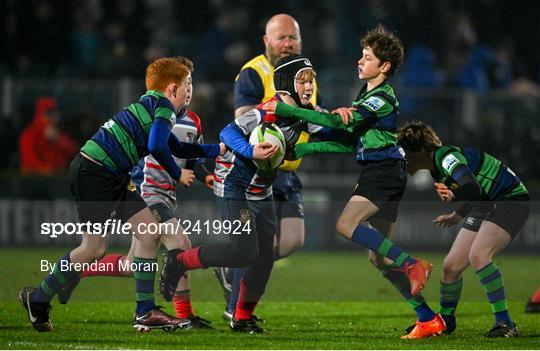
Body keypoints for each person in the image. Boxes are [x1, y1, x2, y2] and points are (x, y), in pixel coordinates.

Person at [19, 57, 225, 333]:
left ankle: (144, 311)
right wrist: (177, 174)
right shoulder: (163, 107)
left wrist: (218, 149)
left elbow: (176, 147)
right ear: (173, 89)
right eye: (188, 83)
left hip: (111, 173)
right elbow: (157, 146)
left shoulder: (152, 104)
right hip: (95, 172)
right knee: (94, 249)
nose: (191, 89)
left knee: (149, 232)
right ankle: (39, 298)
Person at [262, 25, 439, 339]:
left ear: (384, 67)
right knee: (380, 259)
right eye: (361, 54)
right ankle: (427, 317)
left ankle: (412, 263)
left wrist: (288, 109)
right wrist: (305, 147)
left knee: (345, 225)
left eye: (367, 57)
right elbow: (346, 141)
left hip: (383, 171)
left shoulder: (382, 97)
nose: (360, 60)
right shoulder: (366, 94)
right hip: (384, 171)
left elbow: (333, 122)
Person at [160, 54, 327, 333]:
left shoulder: (305, 115)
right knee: (244, 251)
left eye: (312, 80)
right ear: (286, 84)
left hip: (262, 189)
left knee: (263, 258)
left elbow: (335, 133)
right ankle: (178, 261)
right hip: (234, 185)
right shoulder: (269, 110)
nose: (310, 87)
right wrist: (251, 150)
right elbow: (227, 133)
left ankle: (241, 317)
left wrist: (351, 121)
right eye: (303, 81)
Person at [214, 13, 325, 320]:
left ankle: (232, 267)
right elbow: (245, 119)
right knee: (255, 247)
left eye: (293, 37)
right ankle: (235, 308)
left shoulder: (305, 74)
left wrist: (335, 118)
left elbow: (312, 114)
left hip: (287, 173)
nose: (288, 43)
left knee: (290, 241)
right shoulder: (253, 72)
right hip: (256, 172)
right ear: (267, 41)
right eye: (281, 37)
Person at [397, 121, 530, 338]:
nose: (402, 159)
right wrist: (457, 215)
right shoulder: (436, 169)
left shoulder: (445, 157)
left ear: (420, 150)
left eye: (405, 153)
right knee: (451, 267)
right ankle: (446, 321)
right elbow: (476, 191)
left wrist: (454, 196)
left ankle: (506, 324)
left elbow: (470, 186)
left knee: (479, 255)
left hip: (510, 200)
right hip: (487, 203)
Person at [19, 96, 78, 175]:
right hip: (33, 178)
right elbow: (29, 157)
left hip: (57, 178)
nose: (53, 116)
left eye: (55, 112)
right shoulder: (30, 133)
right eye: (49, 112)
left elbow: (73, 152)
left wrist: (58, 140)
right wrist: (43, 169)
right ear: (40, 113)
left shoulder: (60, 133)